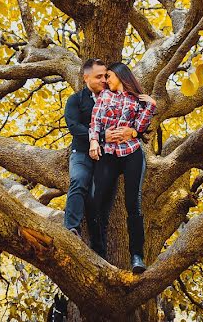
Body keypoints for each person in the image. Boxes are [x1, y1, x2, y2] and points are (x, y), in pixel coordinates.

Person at [88, 62, 156, 273]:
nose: (106, 80)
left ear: (119, 75)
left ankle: (137, 256)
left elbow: (140, 127)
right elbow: (95, 123)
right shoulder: (103, 98)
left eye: (109, 76)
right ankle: (98, 252)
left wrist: (150, 107)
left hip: (131, 153)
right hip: (108, 153)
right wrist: (93, 142)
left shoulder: (136, 100)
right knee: (95, 201)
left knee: (132, 204)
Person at [62, 59, 106, 252]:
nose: (103, 80)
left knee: (97, 199)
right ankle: (71, 228)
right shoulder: (76, 100)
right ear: (86, 77)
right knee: (78, 181)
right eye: (99, 76)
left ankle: (99, 248)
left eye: (105, 76)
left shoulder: (112, 99)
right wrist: (95, 136)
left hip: (106, 156)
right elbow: (73, 127)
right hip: (80, 153)